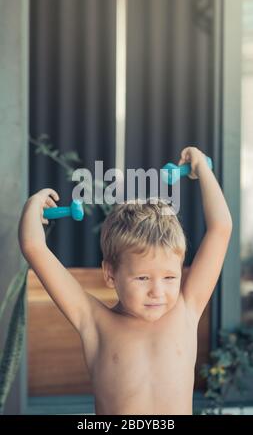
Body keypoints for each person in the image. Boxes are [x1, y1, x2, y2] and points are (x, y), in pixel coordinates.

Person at [18, 147, 232, 415]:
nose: (157, 291)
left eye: (169, 277)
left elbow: (221, 228)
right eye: (142, 278)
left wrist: (203, 169)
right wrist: (33, 205)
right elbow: (33, 247)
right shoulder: (95, 322)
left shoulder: (187, 309)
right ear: (110, 274)